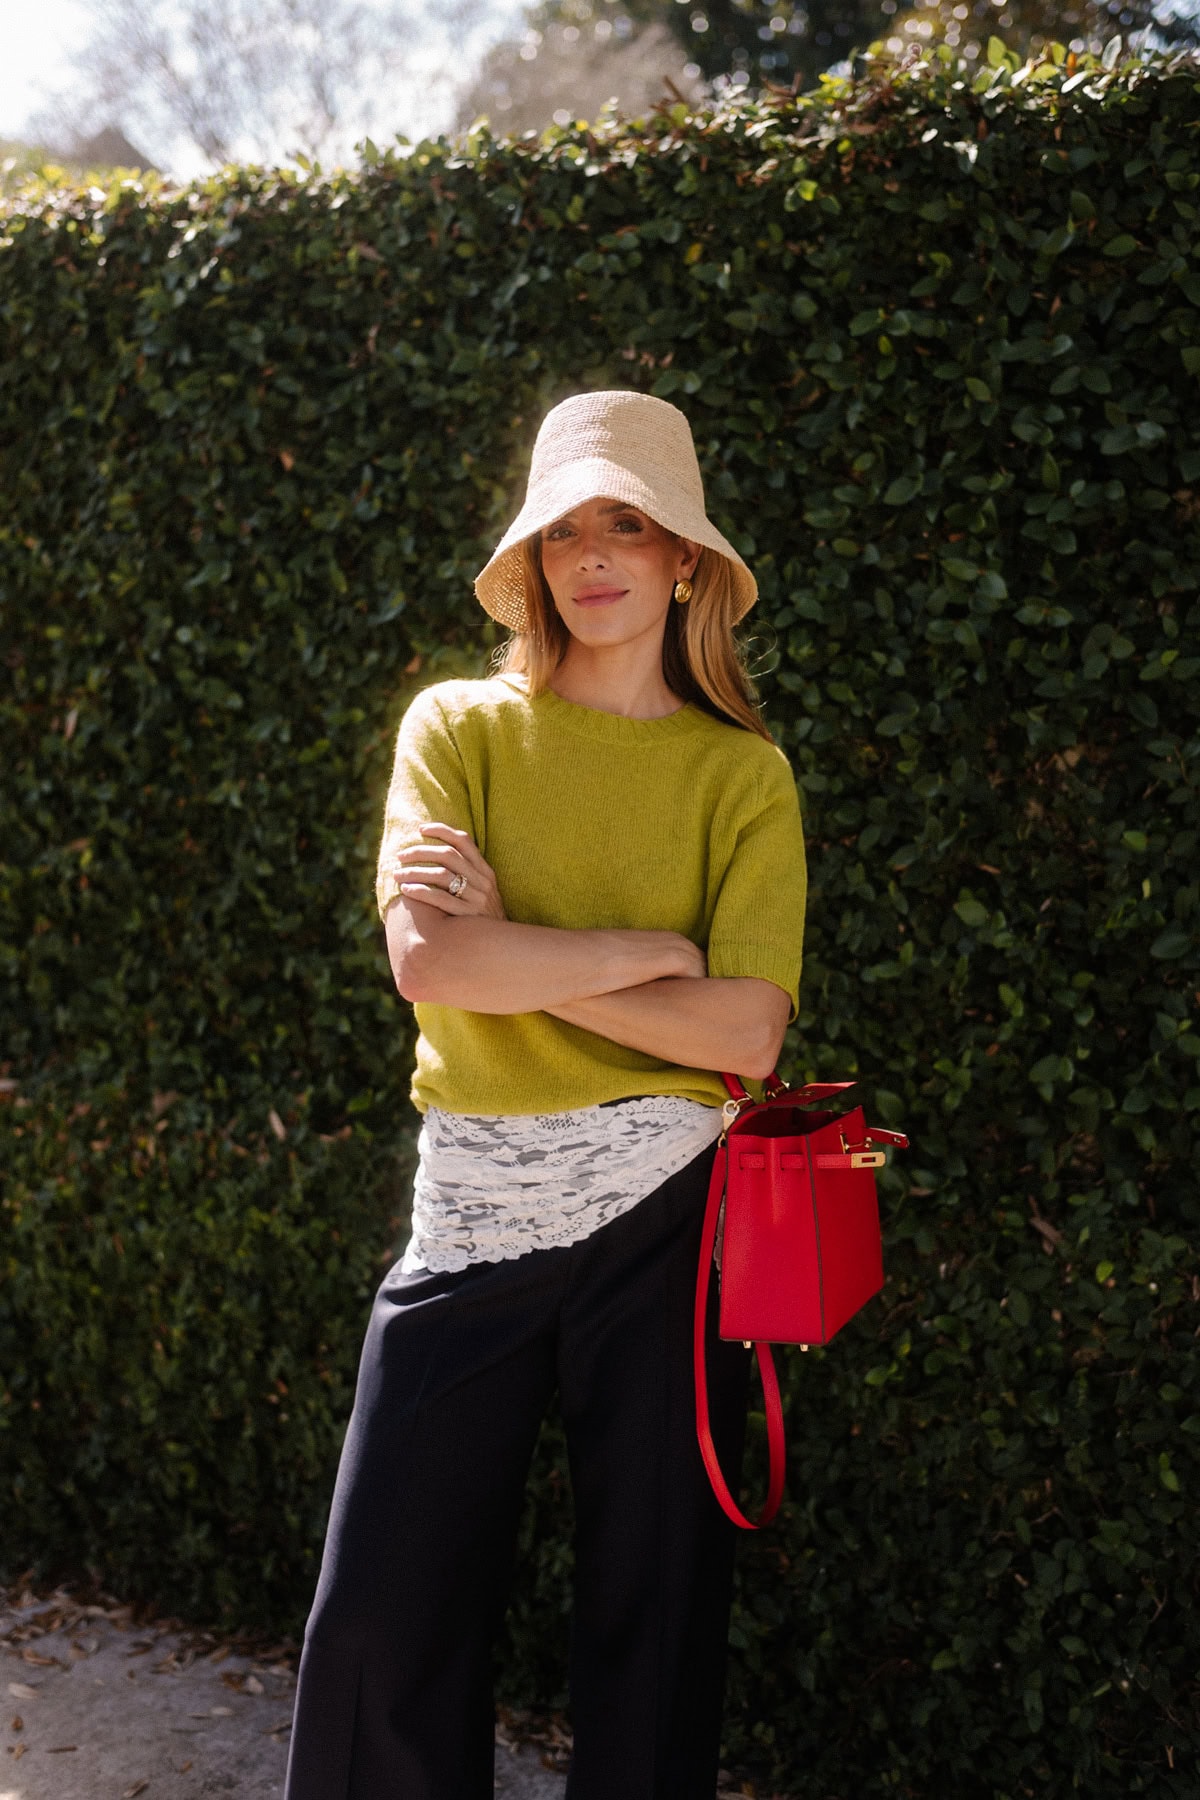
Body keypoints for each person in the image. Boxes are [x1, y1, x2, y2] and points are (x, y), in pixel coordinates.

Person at [283, 389, 808, 1800]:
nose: (593, 556)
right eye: (565, 530)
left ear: (683, 558)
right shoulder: (455, 727)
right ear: (530, 559)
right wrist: (648, 957)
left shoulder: (743, 777)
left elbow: (747, 1032)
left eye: (626, 524)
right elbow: (430, 961)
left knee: (658, 1615)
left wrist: (522, 955)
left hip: (673, 1223)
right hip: (472, 1213)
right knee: (380, 1617)